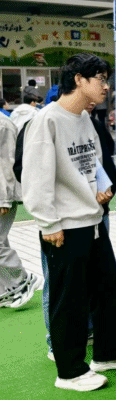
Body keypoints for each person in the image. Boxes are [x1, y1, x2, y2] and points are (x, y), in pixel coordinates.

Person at [23, 53, 116, 392]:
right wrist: (48, 223)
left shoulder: (85, 118)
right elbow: (35, 177)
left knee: (108, 289)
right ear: (78, 79)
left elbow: (94, 162)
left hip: (92, 219)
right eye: (100, 79)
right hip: (64, 225)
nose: (106, 86)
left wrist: (102, 188)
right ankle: (70, 371)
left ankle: (108, 352)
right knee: (69, 300)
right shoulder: (47, 120)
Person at [0, 110, 41, 309]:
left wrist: (4, 198)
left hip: (3, 193)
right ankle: (8, 288)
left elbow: (6, 163)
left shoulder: (3, 124)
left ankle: (22, 280)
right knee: (1, 241)